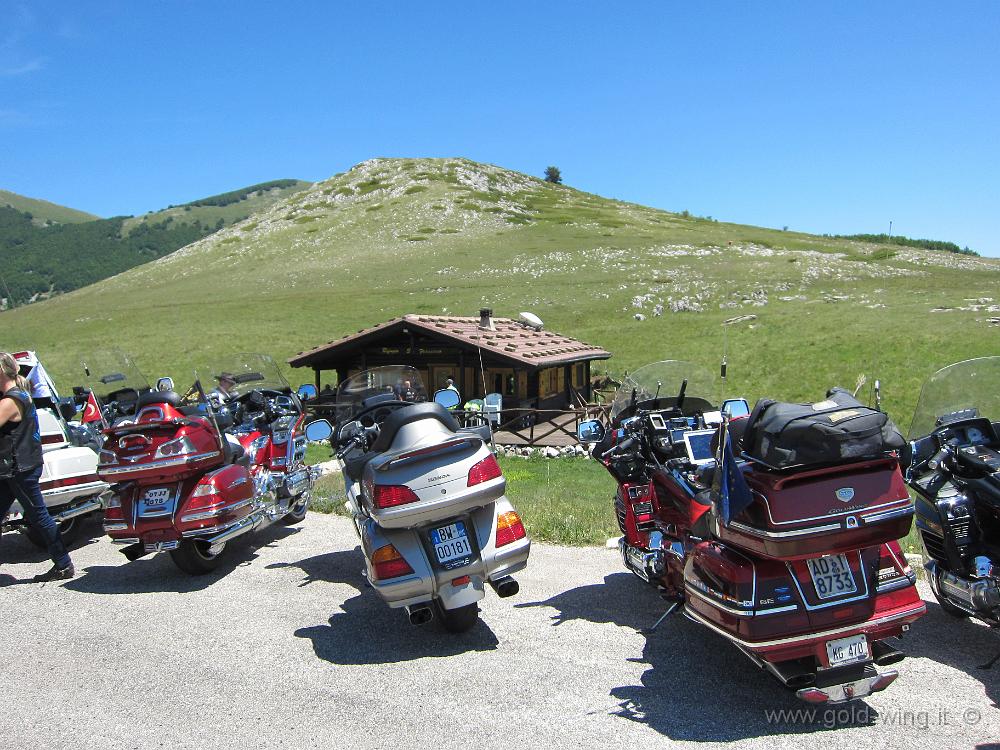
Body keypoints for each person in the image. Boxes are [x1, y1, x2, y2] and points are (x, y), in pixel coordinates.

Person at [0, 351, 74, 581]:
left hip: (18, 469)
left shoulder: (12, 400)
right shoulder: (19, 394)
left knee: (38, 516)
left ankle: (63, 564)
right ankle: (63, 564)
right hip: (14, 468)